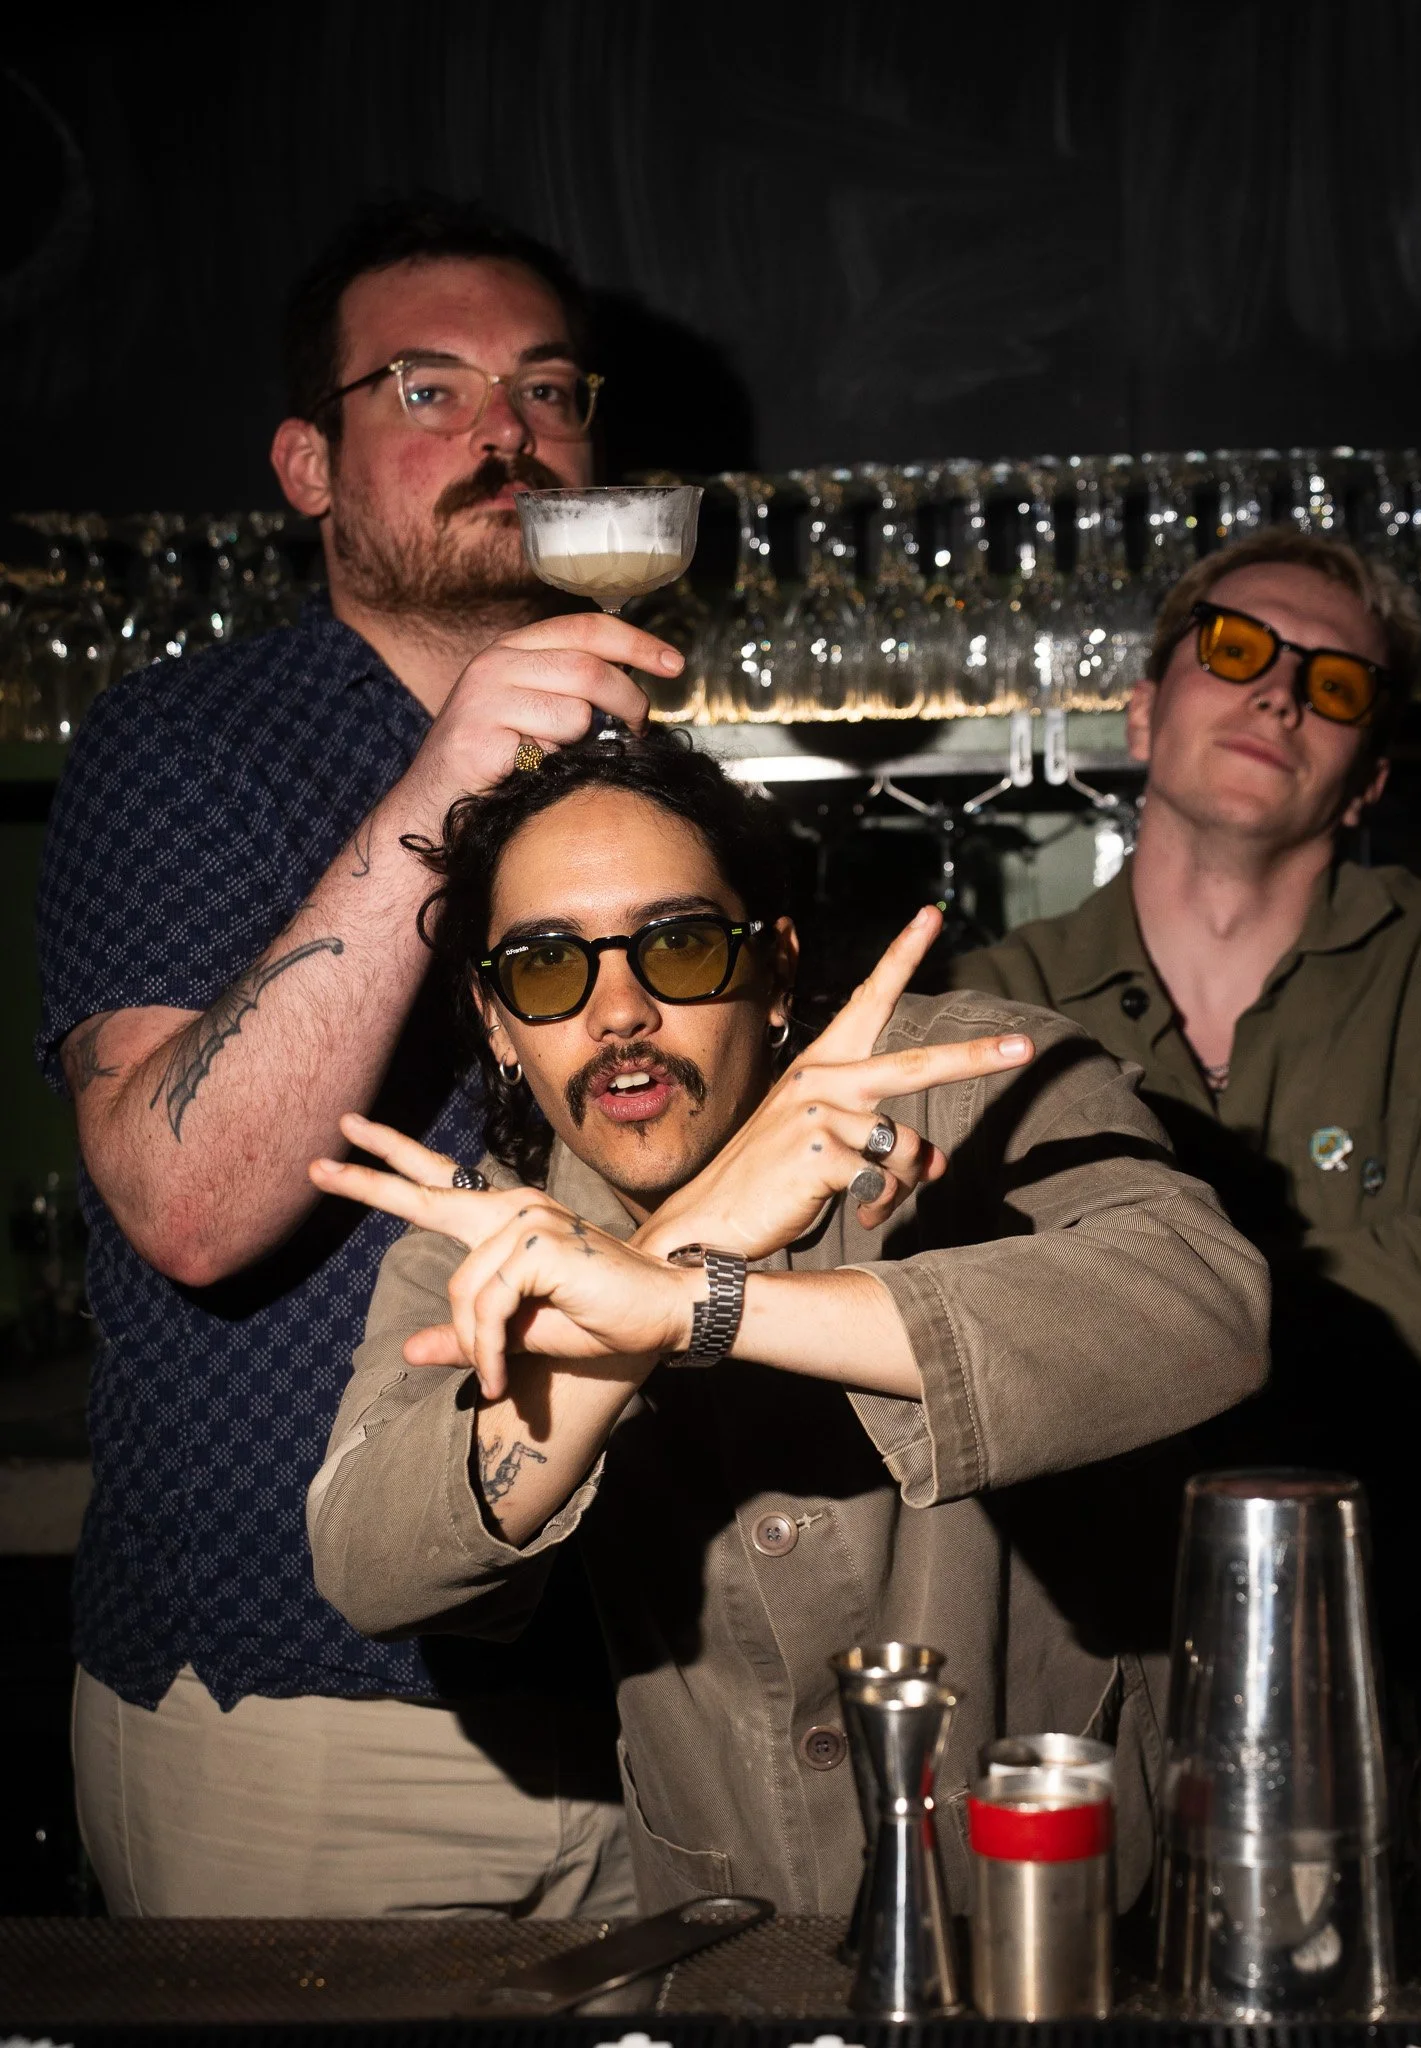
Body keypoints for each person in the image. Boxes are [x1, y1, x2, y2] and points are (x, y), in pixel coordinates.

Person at [304, 730, 1269, 1919]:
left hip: (1066, 1905)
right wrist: (666, 1265)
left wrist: (697, 1303)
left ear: (775, 971)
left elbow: (1202, 1301)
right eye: (549, 968)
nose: (619, 1012)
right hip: (734, 1926)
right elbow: (368, 1555)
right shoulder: (494, 1231)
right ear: (498, 1021)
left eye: (681, 944)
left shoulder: (960, 1076)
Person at [34, 195, 683, 1916]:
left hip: (657, 1699)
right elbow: (185, 1202)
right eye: (425, 391)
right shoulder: (183, 746)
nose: (506, 437)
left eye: (548, 393)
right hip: (310, 1712)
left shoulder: (650, 777)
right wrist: (442, 784)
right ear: (307, 466)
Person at [953, 527, 1421, 1719]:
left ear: (1368, 774)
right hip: (1085, 1689)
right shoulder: (992, 996)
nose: (1279, 688)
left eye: (1333, 683)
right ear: (1140, 713)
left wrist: (1108, 1317)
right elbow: (951, 1323)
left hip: (1405, 1675)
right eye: (1236, 646)